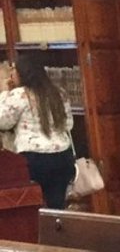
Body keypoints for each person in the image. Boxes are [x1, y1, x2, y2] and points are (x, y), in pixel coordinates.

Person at [0, 52, 76, 210]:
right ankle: (57, 233)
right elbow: (68, 124)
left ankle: (41, 234)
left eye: (13, 69)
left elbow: (3, 121)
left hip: (34, 160)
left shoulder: (19, 95)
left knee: (35, 206)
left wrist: (5, 92)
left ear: (22, 73)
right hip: (63, 156)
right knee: (57, 206)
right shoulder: (59, 93)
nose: (11, 73)